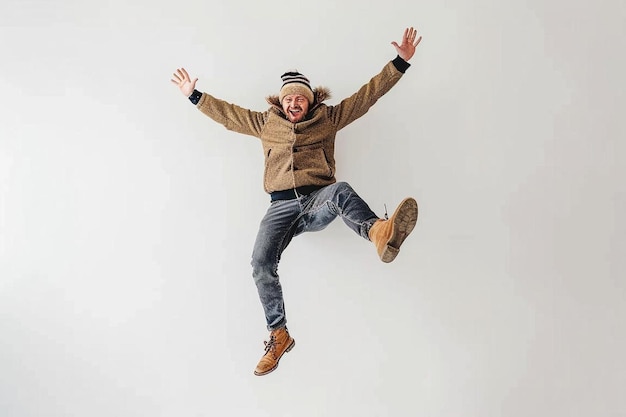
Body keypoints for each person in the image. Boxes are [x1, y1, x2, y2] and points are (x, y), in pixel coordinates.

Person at [171, 27, 422, 376]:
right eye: (289, 99)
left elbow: (366, 97)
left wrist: (399, 63)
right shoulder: (264, 123)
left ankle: (380, 233)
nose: (294, 104)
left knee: (342, 190)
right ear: (281, 101)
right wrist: (194, 95)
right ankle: (279, 334)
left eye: (300, 99)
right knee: (260, 264)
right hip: (280, 207)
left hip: (317, 200)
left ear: (310, 101)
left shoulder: (328, 118)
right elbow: (228, 115)